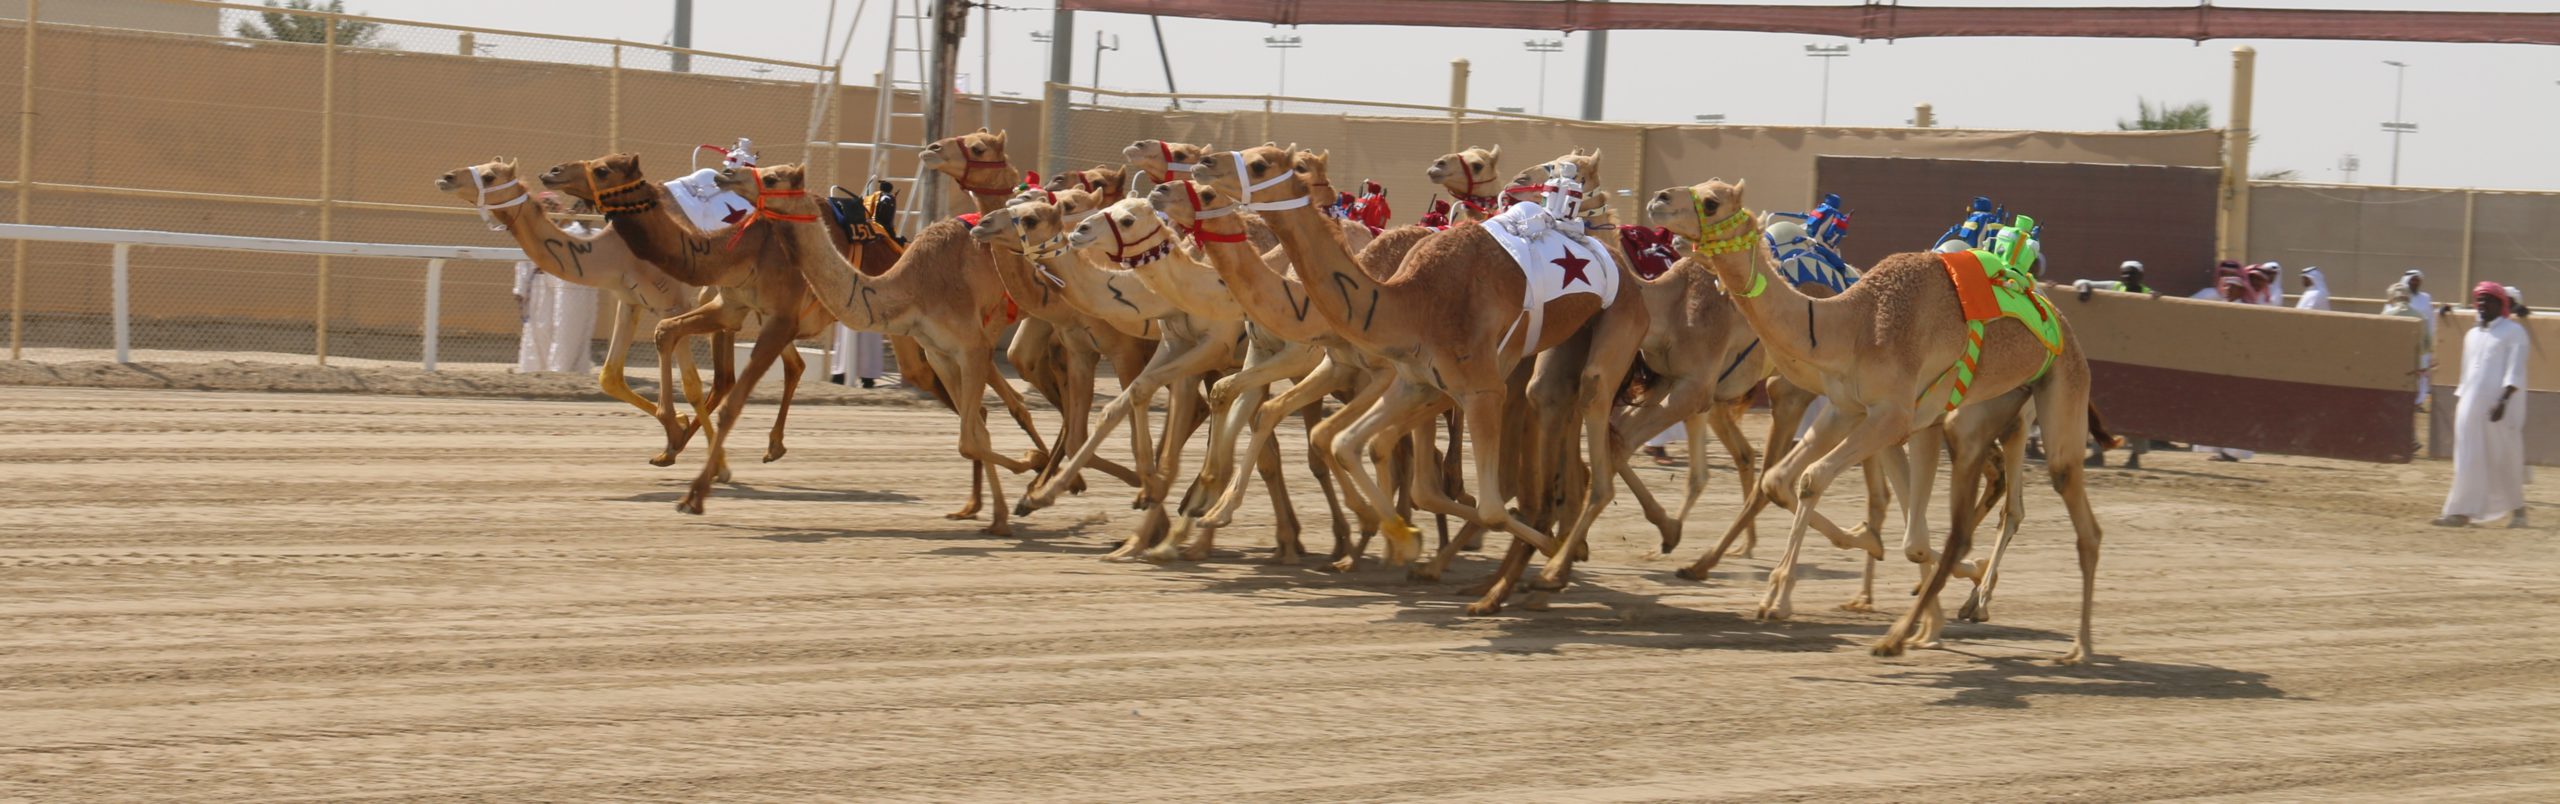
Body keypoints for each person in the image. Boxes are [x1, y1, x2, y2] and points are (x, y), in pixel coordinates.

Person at [2435, 282, 2531, 528]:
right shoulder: (2472, 335)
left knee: (2503, 458)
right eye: (2479, 300)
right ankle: (2459, 512)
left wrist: (2503, 401)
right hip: (2469, 405)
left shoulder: (2514, 332)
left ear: (2502, 305)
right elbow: (2468, 374)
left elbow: (2515, 371)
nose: (2482, 305)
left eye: (2488, 300)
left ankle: (2518, 511)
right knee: (2467, 457)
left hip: (2499, 409)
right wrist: (2464, 401)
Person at [511, 193, 602, 374]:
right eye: (545, 205)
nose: (549, 208)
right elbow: (531, 255)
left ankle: (559, 368)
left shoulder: (578, 231)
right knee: (538, 329)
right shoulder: (534, 229)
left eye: (553, 205)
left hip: (561, 285)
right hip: (539, 283)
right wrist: (520, 289)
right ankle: (533, 368)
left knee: (558, 329)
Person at [2194, 274, 2257, 462]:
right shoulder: (2220, 306)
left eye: (2233, 287)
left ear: (2240, 290)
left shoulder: (2245, 310)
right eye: (2227, 287)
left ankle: (2233, 451)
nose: (2228, 290)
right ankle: (2221, 449)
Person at [2406, 269, 2439, 405]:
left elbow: (2431, 318)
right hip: (2406, 339)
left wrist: (2431, 340)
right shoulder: (2401, 296)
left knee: (2423, 369)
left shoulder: (2425, 298)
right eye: (2412, 280)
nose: (2415, 283)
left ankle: (2420, 400)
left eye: (2417, 280)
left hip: (2423, 338)